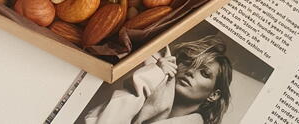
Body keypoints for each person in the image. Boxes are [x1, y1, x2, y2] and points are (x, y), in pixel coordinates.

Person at [82, 36, 232, 124]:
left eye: (204, 73)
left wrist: (150, 77)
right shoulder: (151, 102)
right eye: (187, 63)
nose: (190, 72)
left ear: (214, 95)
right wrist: (156, 73)